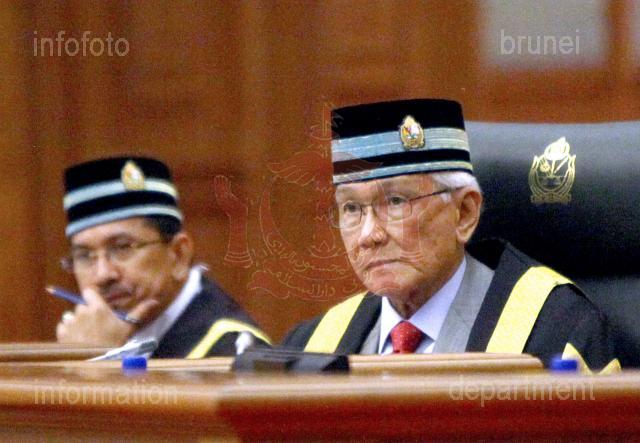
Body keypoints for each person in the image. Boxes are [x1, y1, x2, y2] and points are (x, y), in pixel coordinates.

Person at [283, 99, 619, 372]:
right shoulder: (312, 345)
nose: (369, 235)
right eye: (352, 208)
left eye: (396, 202)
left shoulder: (556, 333)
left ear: (464, 213)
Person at [56, 156, 270, 357]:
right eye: (84, 256)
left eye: (122, 247)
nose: (103, 275)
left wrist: (97, 359)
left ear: (178, 255)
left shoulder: (232, 351)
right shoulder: (101, 335)